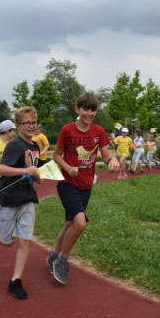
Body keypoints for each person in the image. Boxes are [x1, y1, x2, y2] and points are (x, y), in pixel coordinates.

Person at [49, 92, 119, 285]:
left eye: (93, 109)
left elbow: (105, 157)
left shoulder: (99, 132)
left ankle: (53, 254)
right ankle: (62, 261)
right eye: (85, 109)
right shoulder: (67, 130)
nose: (89, 113)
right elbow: (56, 155)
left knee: (70, 224)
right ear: (77, 109)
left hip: (86, 185)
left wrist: (112, 159)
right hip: (67, 183)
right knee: (79, 223)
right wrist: (67, 167)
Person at [0, 106, 43, 300]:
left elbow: (30, 170)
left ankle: (15, 281)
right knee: (8, 243)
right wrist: (26, 172)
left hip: (27, 199)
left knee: (26, 241)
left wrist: (36, 176)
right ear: (18, 126)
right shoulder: (14, 145)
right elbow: (1, 169)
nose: (31, 126)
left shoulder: (35, 147)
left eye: (34, 123)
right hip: (8, 199)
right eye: (27, 123)